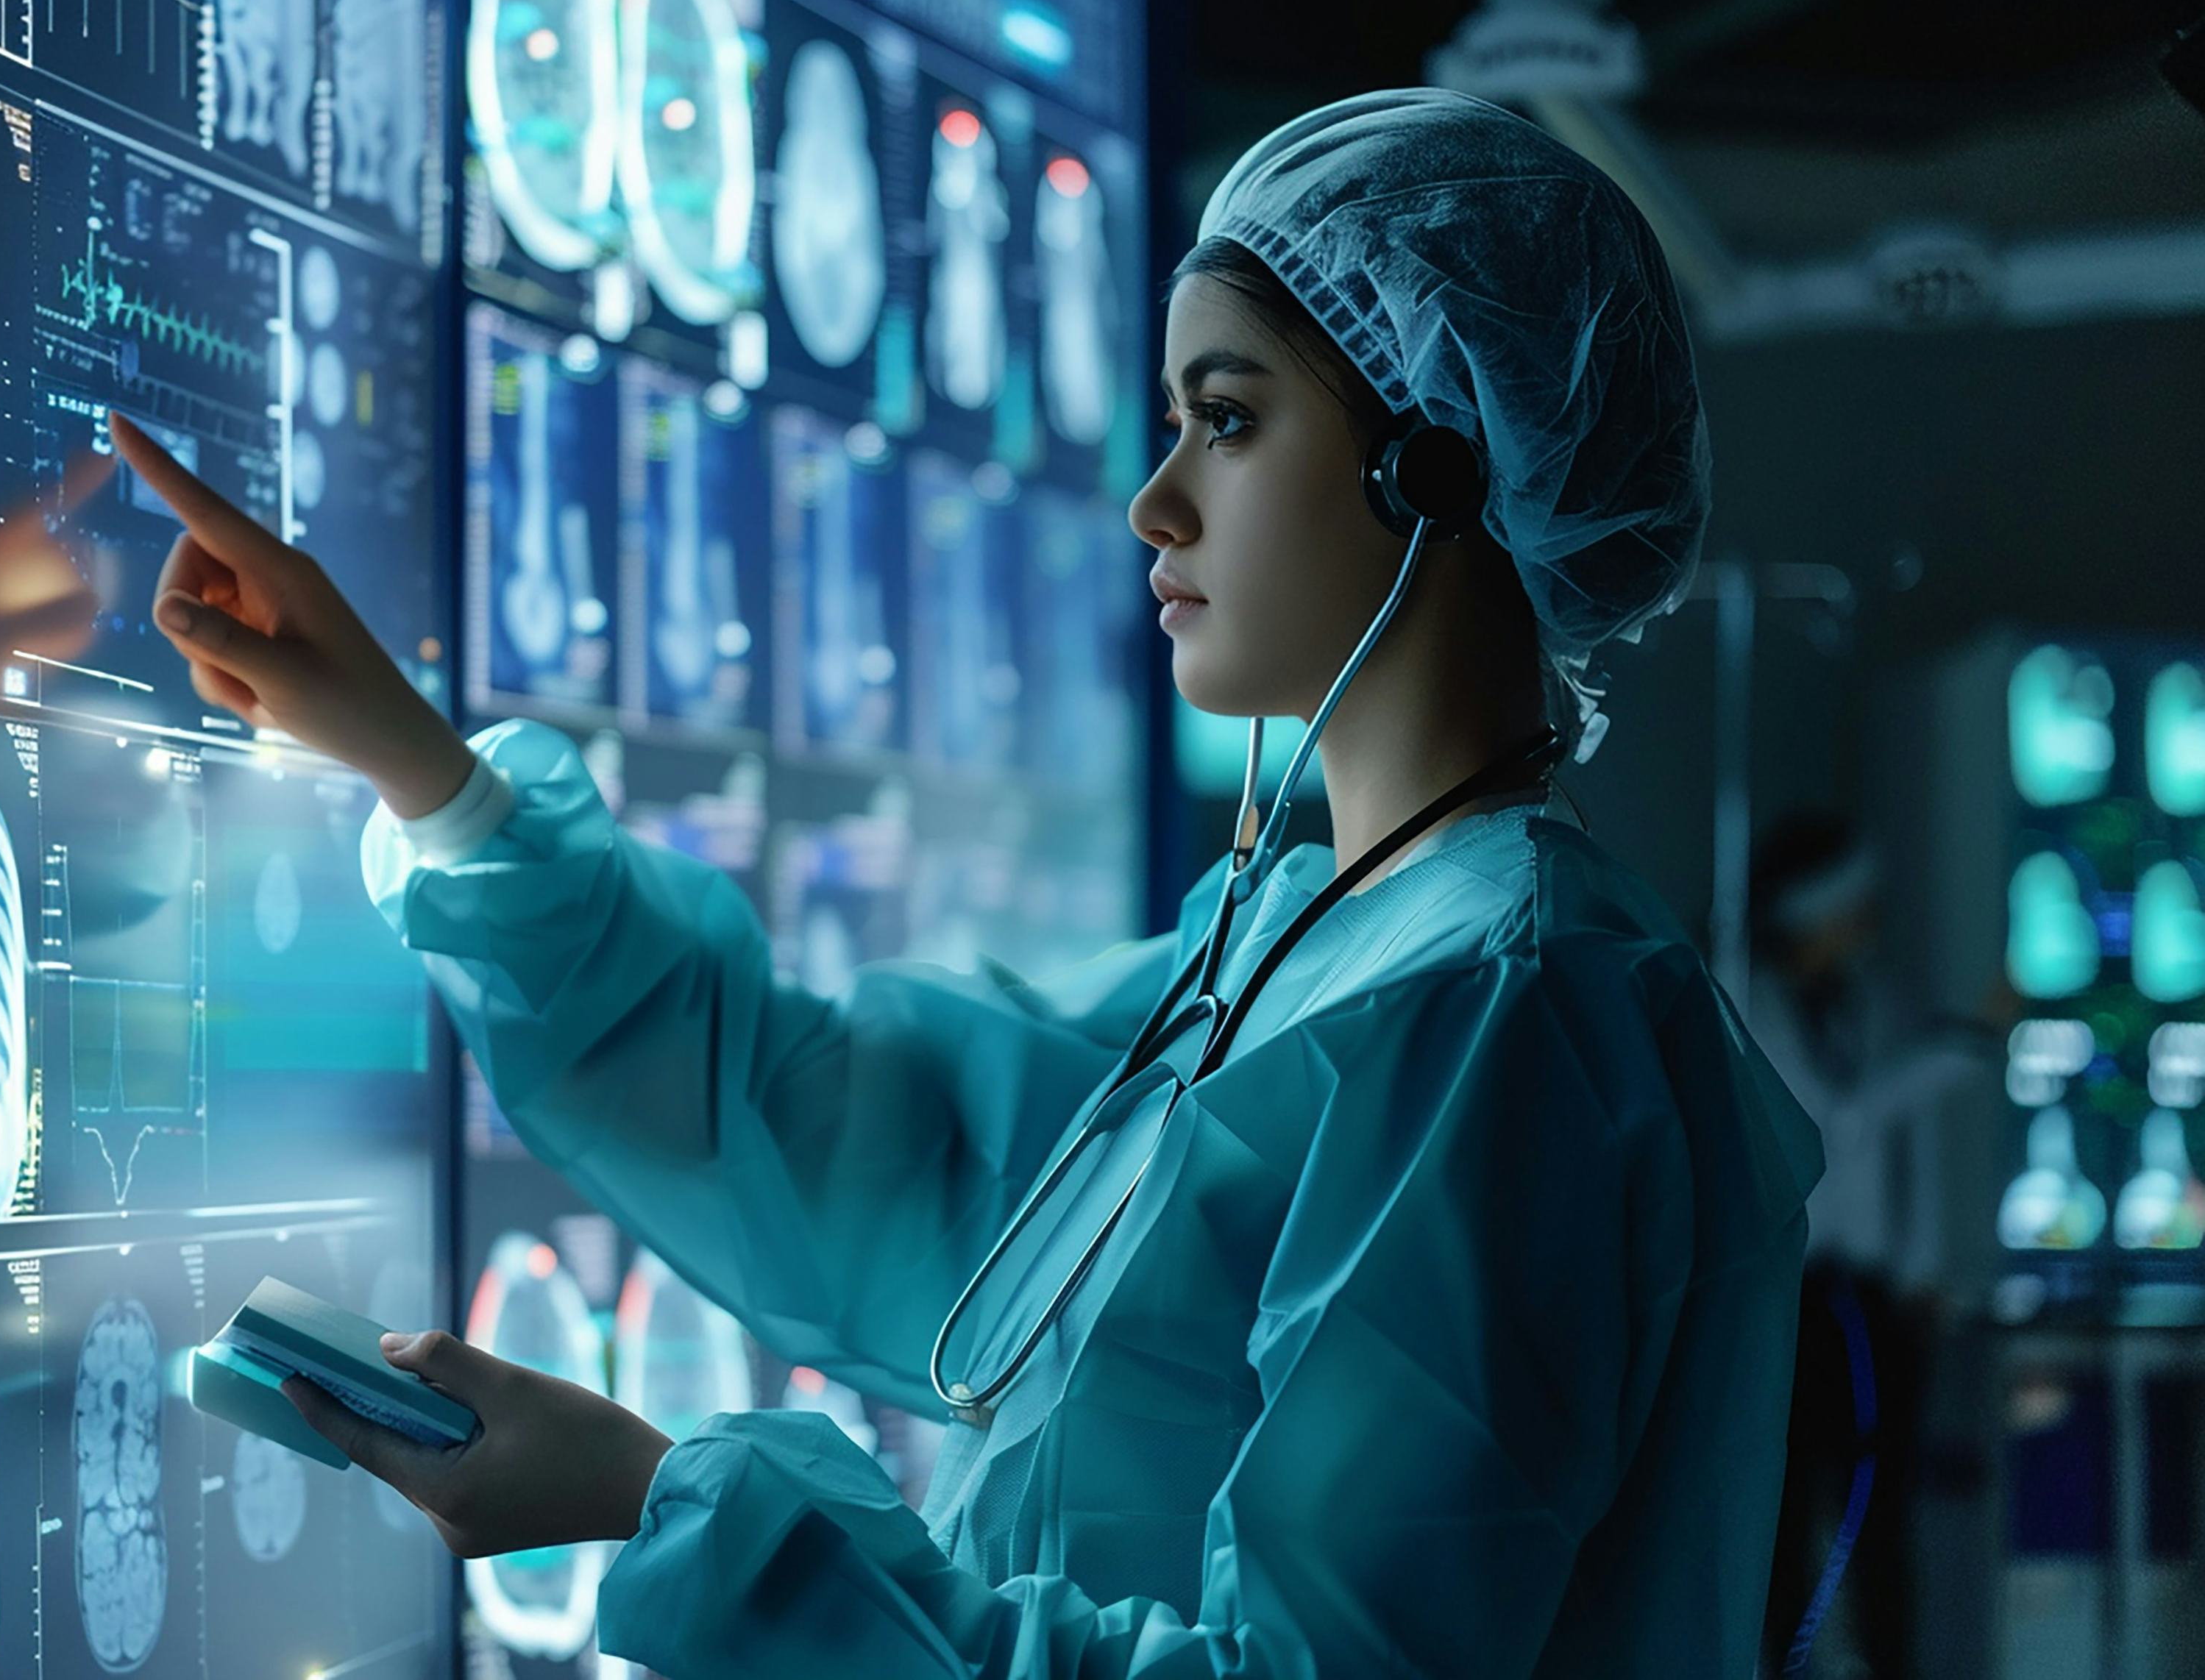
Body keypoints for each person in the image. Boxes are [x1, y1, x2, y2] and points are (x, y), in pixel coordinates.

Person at [123, 88, 1824, 1679]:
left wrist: (663, 1504)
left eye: (1225, 421)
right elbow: (835, 1123)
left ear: (1434, 465)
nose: (1153, 503)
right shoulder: (1305, 942)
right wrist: (425, 769)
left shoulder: (1502, 1009)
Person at [1747, 811, 1984, 1678]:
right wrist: (1964, 1046)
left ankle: (1888, 1664)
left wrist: (1921, 1272)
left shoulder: (1877, 1003)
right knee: (1780, 1512)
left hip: (1875, 1304)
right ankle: (1784, 1662)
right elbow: (1836, 1121)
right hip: (1791, 1303)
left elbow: (1905, 1160)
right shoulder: (1745, 998)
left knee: (1877, 1515)